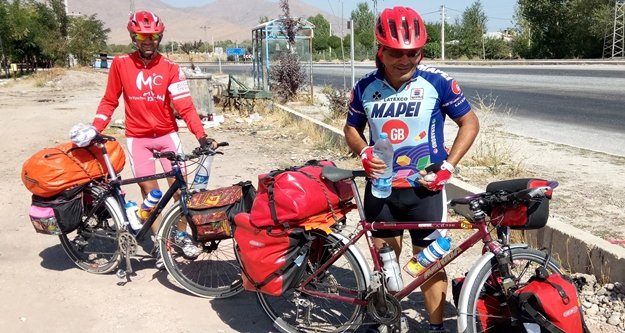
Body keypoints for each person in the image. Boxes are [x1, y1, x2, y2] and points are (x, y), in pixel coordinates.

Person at [343, 6, 480, 333]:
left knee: (429, 264)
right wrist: (363, 152)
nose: (405, 60)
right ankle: (389, 320)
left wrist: (449, 166)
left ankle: (435, 328)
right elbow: (350, 128)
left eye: (413, 53)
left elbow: (470, 123)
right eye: (396, 53)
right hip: (382, 191)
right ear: (381, 49)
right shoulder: (364, 88)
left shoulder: (439, 82)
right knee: (386, 267)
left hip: (426, 190)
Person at [90, 10, 217, 267]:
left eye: (153, 36)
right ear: (133, 37)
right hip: (139, 139)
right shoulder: (121, 64)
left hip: (168, 137)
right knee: (153, 195)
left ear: (159, 37)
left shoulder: (170, 68)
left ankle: (180, 236)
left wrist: (201, 135)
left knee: (181, 192)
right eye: (141, 36)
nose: (148, 41)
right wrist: (95, 127)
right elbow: (109, 100)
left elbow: (185, 106)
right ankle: (161, 243)